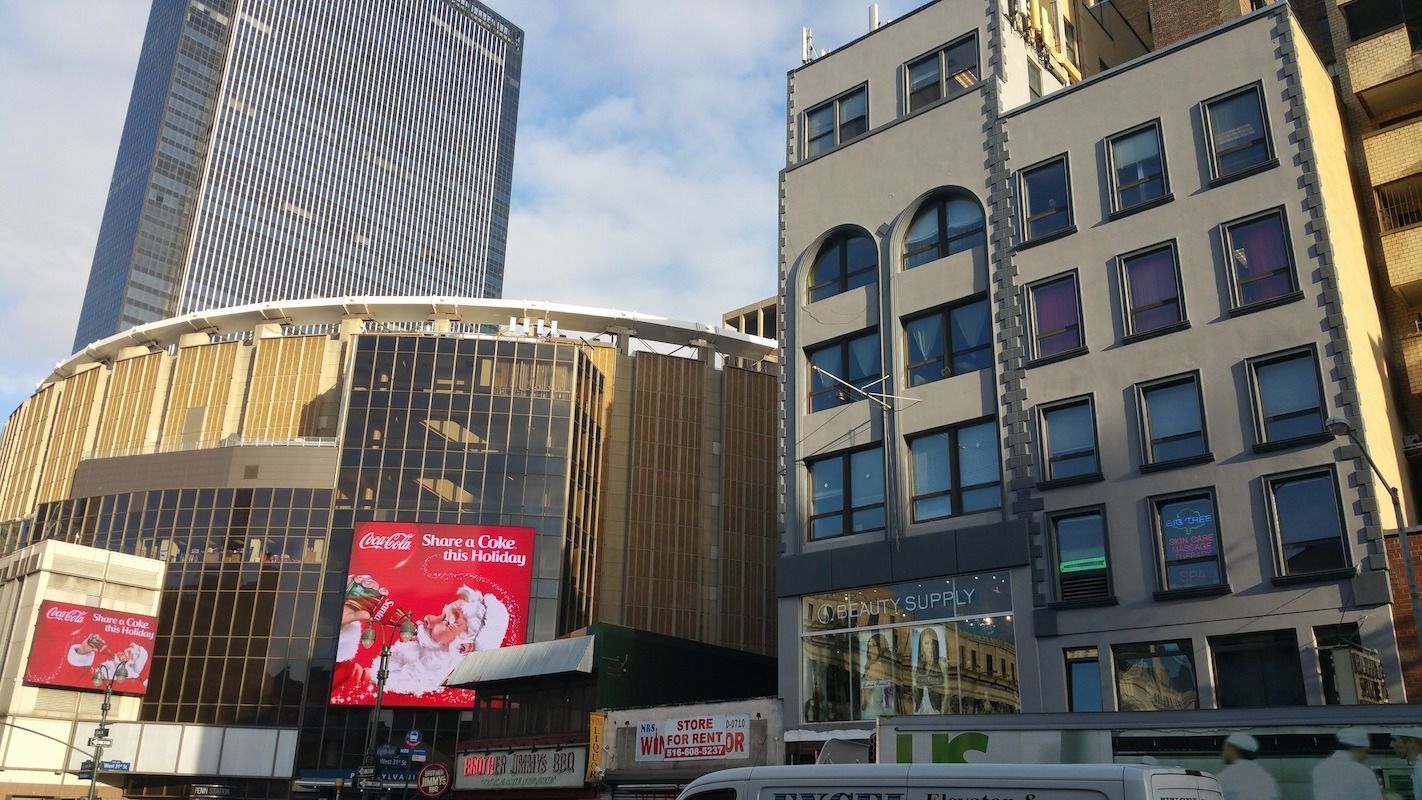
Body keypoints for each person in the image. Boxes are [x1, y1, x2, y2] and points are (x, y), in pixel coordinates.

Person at [1312, 728, 1383, 800]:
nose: (1366, 756)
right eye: (1366, 751)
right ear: (1356, 748)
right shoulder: (1363, 772)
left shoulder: (1320, 768)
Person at [1216, 733, 1278, 800]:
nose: (1223, 754)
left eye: (1224, 749)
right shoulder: (1266, 777)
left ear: (1232, 749)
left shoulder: (1227, 776)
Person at [859, 632, 895, 719]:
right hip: (865, 717)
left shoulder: (879, 667)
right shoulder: (868, 668)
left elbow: (889, 704)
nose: (870, 650)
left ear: (880, 648)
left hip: (877, 718)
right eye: (869, 646)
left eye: (873, 646)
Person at [912, 627, 946, 714]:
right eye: (926, 643)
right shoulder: (918, 668)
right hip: (920, 713)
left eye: (932, 643)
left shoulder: (941, 666)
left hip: (937, 713)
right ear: (922, 647)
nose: (930, 647)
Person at [1395, 727, 1422, 798]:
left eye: (1394, 740)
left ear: (1410, 742)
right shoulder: (1417, 766)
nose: (1391, 744)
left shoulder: (1420, 768)